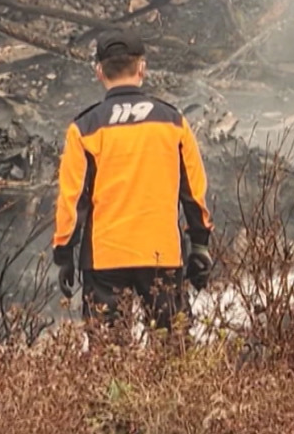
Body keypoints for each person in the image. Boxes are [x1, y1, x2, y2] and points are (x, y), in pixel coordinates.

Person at [52, 31, 214, 336]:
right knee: (172, 351)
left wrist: (64, 255)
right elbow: (193, 191)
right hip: (162, 255)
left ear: (98, 72)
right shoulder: (173, 121)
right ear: (142, 68)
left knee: (109, 354)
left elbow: (72, 200)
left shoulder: (84, 127)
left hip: (104, 259)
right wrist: (200, 245)